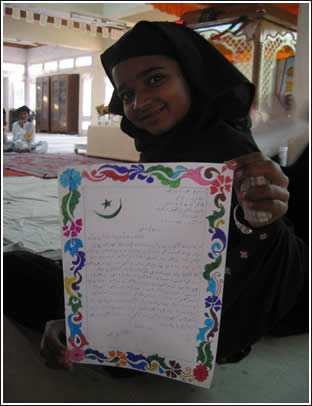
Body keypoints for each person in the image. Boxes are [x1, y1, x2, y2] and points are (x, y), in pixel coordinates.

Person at [5, 21, 308, 372]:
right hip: (159, 274)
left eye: (155, 79)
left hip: (237, 287)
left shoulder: (229, 154)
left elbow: (236, 271)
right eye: (128, 94)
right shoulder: (164, 144)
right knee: (13, 271)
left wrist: (259, 218)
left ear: (191, 77)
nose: (141, 102)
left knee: (129, 354)